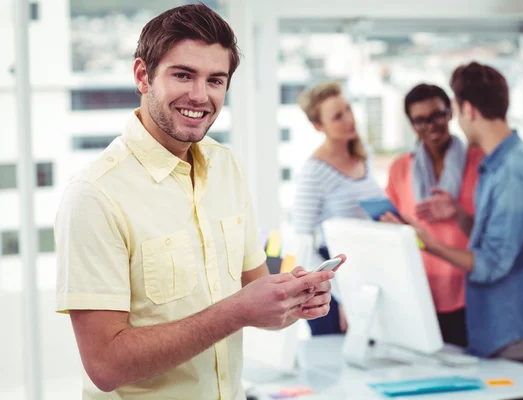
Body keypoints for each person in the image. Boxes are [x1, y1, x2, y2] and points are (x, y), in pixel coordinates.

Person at [54, 5, 336, 399]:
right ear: (142, 76)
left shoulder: (227, 167)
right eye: (183, 75)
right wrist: (237, 311)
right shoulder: (95, 195)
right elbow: (106, 364)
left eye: (215, 80)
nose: (200, 96)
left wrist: (295, 300)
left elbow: (254, 294)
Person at [406, 62, 523, 378]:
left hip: (513, 329)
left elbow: (492, 263)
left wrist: (429, 244)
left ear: (469, 110)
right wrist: (461, 217)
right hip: (496, 327)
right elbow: (496, 240)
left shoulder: (512, 173)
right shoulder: (496, 164)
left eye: (456, 112)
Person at [381, 84, 484, 348]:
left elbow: (488, 237)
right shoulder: (400, 169)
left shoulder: (479, 162)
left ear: (450, 111)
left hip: (468, 294)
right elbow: (390, 232)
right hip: (418, 292)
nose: (431, 126)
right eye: (420, 120)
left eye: (437, 115)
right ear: (412, 124)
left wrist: (457, 213)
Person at [293, 82, 384, 335]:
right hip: (333, 282)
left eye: (348, 109)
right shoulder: (314, 172)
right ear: (318, 126)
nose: (349, 119)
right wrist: (340, 296)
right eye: (337, 116)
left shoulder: (364, 154)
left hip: (365, 272)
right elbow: (302, 241)